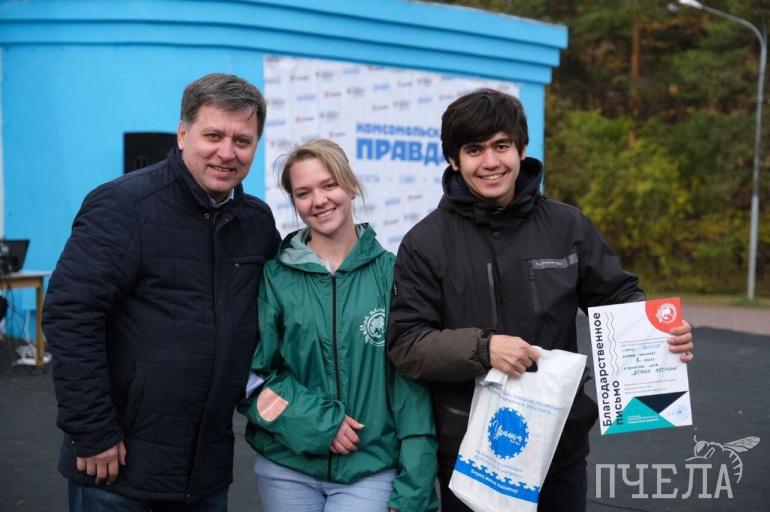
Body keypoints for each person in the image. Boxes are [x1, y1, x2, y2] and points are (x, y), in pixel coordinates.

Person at [386, 88, 695, 512]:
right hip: (472, 451)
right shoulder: (424, 243)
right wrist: (483, 349)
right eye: (474, 150)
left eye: (501, 146)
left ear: (521, 148)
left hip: (558, 447)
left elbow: (617, 296)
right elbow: (406, 343)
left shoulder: (568, 226)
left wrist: (660, 333)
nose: (491, 162)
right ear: (454, 160)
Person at [43, 73, 280, 511]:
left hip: (206, 474)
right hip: (116, 469)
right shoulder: (123, 205)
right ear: (183, 133)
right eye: (214, 135)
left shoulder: (257, 223)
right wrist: (92, 432)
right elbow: (70, 315)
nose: (227, 152)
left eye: (242, 141)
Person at [239, 139, 438, 512]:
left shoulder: (392, 273)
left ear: (350, 186)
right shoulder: (275, 277)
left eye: (329, 185)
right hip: (286, 468)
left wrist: (414, 489)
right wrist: (318, 423)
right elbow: (252, 376)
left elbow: (412, 388)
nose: (318, 200)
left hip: (369, 469)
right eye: (303, 193)